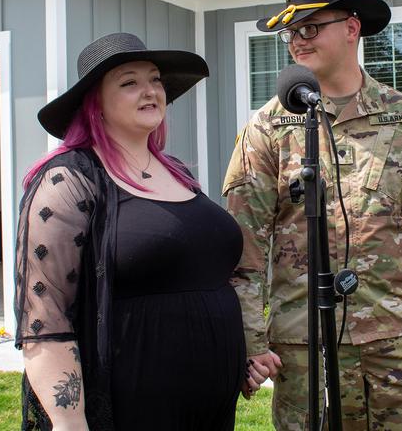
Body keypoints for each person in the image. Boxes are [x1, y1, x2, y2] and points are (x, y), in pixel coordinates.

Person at [224, 0, 402, 430]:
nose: (298, 39)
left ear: (352, 28)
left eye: (311, 27)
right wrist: (253, 342)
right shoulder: (267, 130)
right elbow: (244, 252)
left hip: (397, 339)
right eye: (290, 31)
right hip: (303, 348)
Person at [14, 32, 267, 430]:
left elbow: (202, 275)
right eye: (129, 82)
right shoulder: (70, 180)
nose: (149, 91)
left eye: (155, 80)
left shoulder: (178, 172)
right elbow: (45, 319)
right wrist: (69, 423)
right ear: (94, 103)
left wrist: (244, 353)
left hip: (212, 403)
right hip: (132, 404)